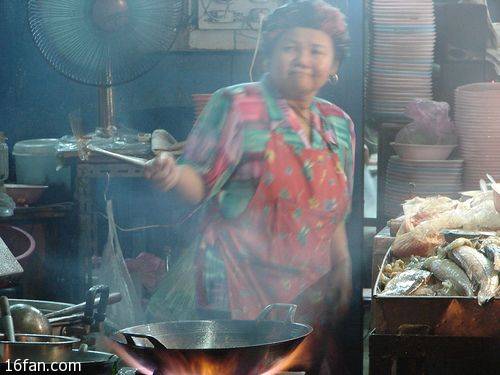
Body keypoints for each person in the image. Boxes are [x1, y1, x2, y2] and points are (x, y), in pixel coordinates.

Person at [145, 0, 355, 371]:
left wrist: (342, 266)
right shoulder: (238, 105)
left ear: (335, 64)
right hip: (234, 291)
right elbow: (199, 180)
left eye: (317, 50)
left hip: (307, 297)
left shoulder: (339, 124)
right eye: (290, 47)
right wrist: (174, 175)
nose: (303, 59)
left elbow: (334, 213)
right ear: (268, 55)